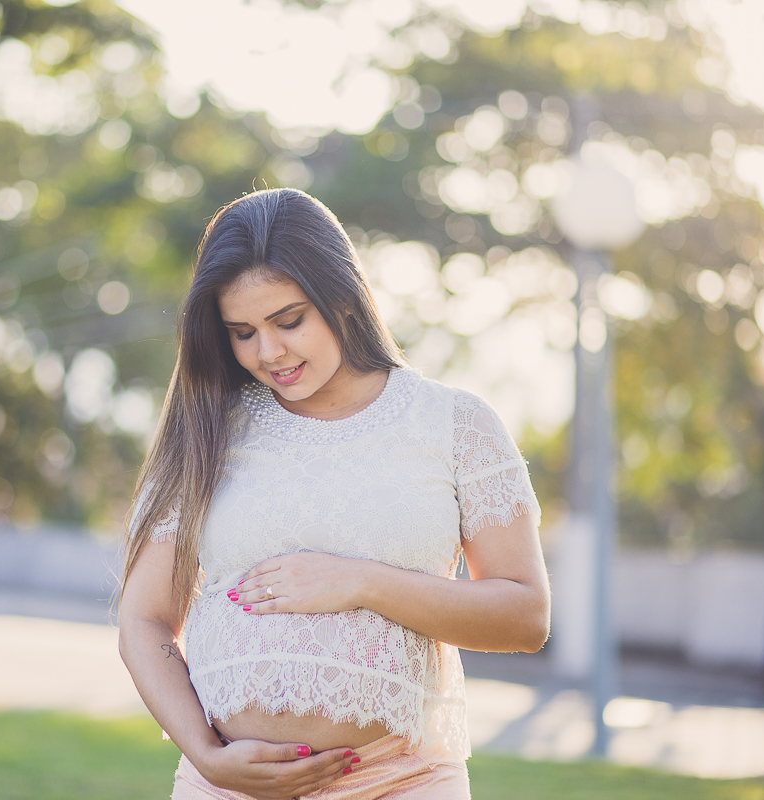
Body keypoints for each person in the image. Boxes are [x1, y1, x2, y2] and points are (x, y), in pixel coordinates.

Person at [118, 188, 549, 800]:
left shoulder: (453, 424)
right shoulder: (207, 426)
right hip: (225, 789)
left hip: (398, 782)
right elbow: (144, 619)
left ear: (342, 297)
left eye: (289, 320)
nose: (269, 352)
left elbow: (525, 617)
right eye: (242, 332)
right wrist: (207, 755)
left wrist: (362, 581)